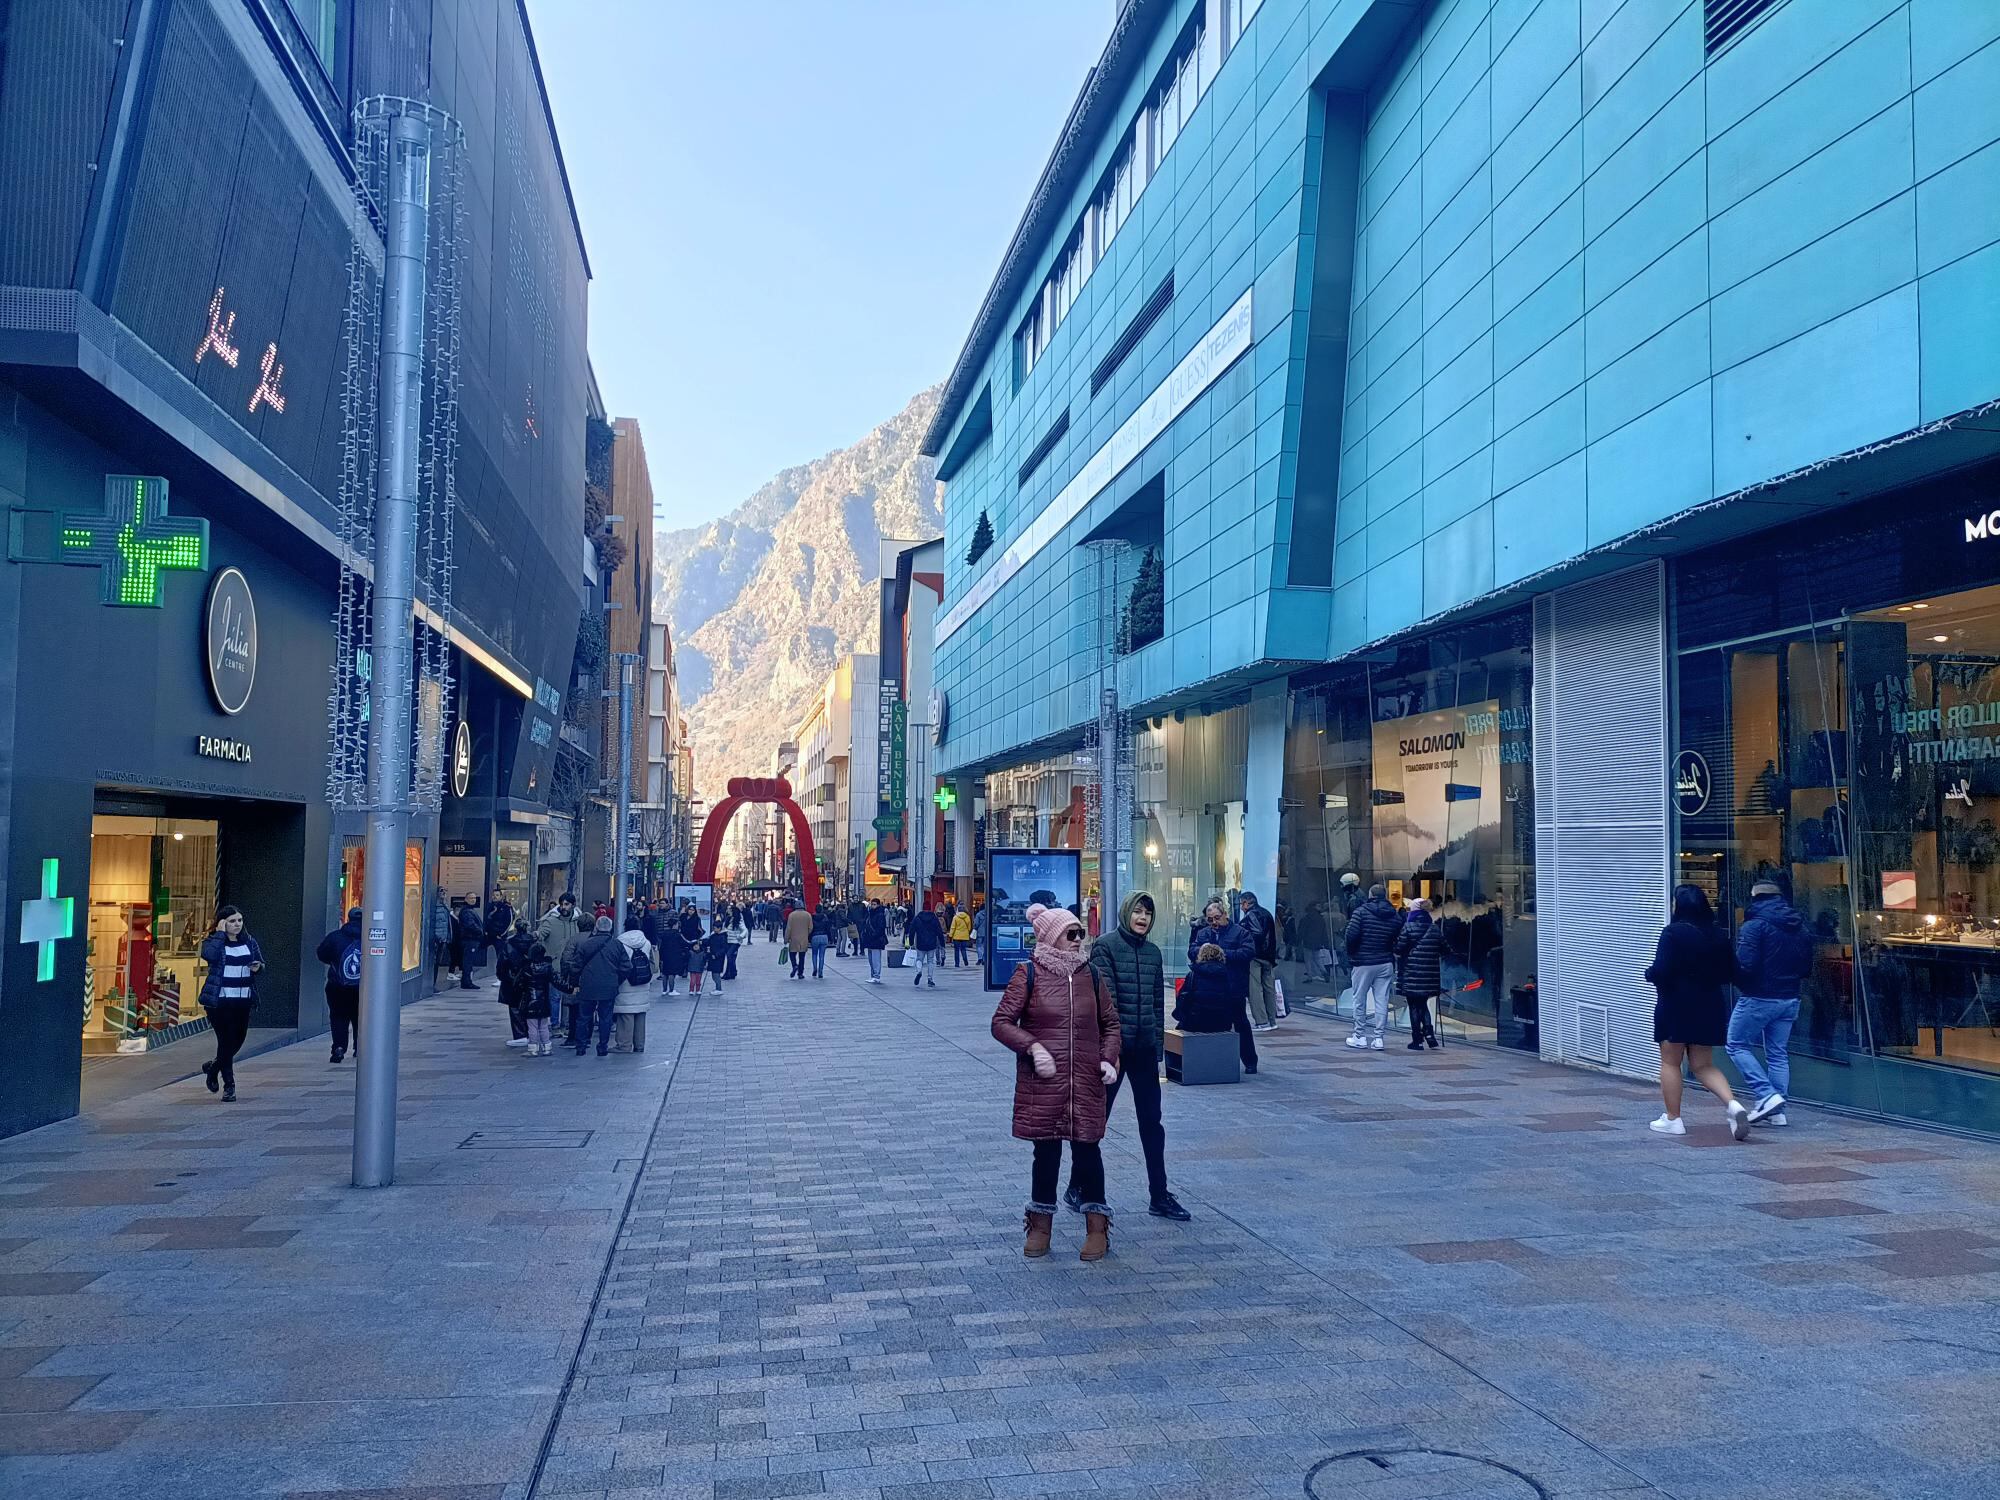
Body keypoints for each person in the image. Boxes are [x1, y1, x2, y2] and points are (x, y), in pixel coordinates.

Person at [991, 904, 1122, 1262]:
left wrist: (1108, 1059)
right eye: (1072, 934)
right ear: (1051, 937)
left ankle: (1097, 1228)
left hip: (1086, 1081)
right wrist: (1033, 1047)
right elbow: (1002, 1022)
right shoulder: (1028, 974)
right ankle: (1040, 1225)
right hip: (1044, 1084)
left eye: (1081, 933)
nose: (1080, 940)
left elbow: (1111, 1024)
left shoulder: (1091, 975)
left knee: (1088, 1152)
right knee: (1046, 1153)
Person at [1065, 892, 1189, 1223]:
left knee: (1152, 1123)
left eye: (1148, 912)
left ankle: (1159, 1195)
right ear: (1126, 913)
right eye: (1138, 910)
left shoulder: (1153, 953)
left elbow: (1156, 1003)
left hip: (1144, 1050)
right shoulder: (1106, 946)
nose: (1143, 917)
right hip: (1113, 1051)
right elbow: (1106, 1001)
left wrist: (1159, 1046)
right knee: (1096, 1120)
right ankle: (1077, 1186)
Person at [1648, 884, 1752, 1140]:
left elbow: (1661, 970)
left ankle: (1673, 1119)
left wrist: (1649, 974)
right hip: (1710, 1004)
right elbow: (1733, 972)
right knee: (1703, 1064)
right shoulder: (1718, 935)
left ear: (1679, 906)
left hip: (1676, 1003)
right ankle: (1732, 1104)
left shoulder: (1672, 933)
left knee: (1671, 1062)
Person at [1728, 879, 1813, 1129]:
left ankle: (1767, 1095)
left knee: (1736, 1044)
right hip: (1790, 997)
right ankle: (1778, 1112)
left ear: (1755, 898)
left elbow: (1745, 964)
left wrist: (1736, 980)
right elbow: (1807, 967)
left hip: (1759, 996)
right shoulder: (1800, 926)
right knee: (1777, 1054)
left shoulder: (1754, 926)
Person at [197, 906, 263, 1102]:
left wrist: (258, 967)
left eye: (240, 921)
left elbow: (260, 962)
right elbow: (209, 956)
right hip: (220, 1001)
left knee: (238, 1039)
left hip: (242, 1000)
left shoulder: (249, 941)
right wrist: (218, 933)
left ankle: (213, 1068)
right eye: (232, 921)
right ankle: (229, 1086)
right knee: (225, 1042)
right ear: (222, 922)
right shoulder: (214, 941)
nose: (237, 925)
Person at [1188, 898, 1258, 1075]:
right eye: (1210, 919)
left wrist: (1222, 954)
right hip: (1208, 986)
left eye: (1217, 918)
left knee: (1240, 1022)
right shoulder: (1204, 933)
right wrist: (1203, 951)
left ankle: (1250, 1060)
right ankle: (1214, 1060)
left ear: (1225, 914)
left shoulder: (1240, 932)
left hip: (1232, 986)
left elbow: (1248, 952)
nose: (1214, 923)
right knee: (1212, 1022)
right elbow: (1192, 950)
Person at [1344, 884, 1403, 1050]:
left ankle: (1359, 1035)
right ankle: (1379, 1038)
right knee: (1382, 1000)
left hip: (1363, 961)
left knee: (1359, 999)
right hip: (1385, 961)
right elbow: (1399, 937)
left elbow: (1351, 935)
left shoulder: (1361, 912)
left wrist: (1352, 954)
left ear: (1370, 894)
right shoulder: (1394, 916)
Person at [561, 915, 629, 1056]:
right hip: (608, 986)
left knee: (584, 1017)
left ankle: (581, 1046)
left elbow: (575, 966)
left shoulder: (586, 944)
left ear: (596, 928)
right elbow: (626, 967)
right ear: (610, 928)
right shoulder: (616, 945)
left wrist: (575, 984)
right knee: (605, 1017)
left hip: (588, 986)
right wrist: (616, 980)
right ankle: (602, 1047)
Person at [314, 906, 364, 1064]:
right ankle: (360, 1047)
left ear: (348, 918)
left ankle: (339, 1047)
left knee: (338, 1016)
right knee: (361, 1017)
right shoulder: (370, 938)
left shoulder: (335, 937)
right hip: (362, 986)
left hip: (337, 985)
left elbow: (321, 954)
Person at [1394, 898, 1443, 1050]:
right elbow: (1445, 948)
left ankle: (1417, 1040)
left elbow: (1399, 948)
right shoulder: (1434, 928)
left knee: (1414, 1006)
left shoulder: (1408, 927)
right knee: (1423, 1003)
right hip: (1430, 974)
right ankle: (1429, 1034)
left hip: (1411, 972)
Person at [1237, 890, 1280, 1032]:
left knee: (1254, 988)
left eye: (1241, 904)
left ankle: (1261, 1021)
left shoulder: (1251, 915)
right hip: (1268, 956)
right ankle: (1272, 1020)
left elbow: (1257, 933)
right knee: (1269, 987)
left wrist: (1247, 945)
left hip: (1255, 956)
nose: (1241, 908)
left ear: (1246, 903)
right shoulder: (1266, 913)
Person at [1177, 941, 1237, 1034]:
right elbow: (1231, 1000)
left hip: (1195, 1021)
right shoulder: (1226, 975)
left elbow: (1184, 997)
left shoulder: (1193, 975)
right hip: (1221, 1022)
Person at [613, 916, 653, 1048]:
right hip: (643, 981)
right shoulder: (646, 942)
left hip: (626, 982)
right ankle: (639, 1044)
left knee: (626, 1013)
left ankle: (624, 1044)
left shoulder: (620, 942)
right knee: (640, 1013)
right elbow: (653, 963)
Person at [496, 918, 536, 1049]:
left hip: (512, 979)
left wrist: (503, 976)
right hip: (531, 978)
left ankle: (520, 1035)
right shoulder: (534, 942)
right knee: (530, 1005)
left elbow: (502, 962)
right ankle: (532, 1033)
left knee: (514, 1008)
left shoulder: (509, 943)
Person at [521, 942, 556, 1055]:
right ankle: (547, 1047)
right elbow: (557, 981)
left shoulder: (526, 967)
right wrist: (570, 989)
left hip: (530, 1000)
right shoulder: (547, 967)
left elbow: (518, 983)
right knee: (544, 1025)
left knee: (532, 1027)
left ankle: (533, 1049)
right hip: (544, 1000)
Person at [536, 892, 580, 958]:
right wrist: (537, 935)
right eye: (561, 904)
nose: (563, 907)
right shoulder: (550, 921)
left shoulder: (578, 922)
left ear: (573, 905)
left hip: (572, 964)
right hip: (554, 964)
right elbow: (540, 936)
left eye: (566, 904)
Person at [657, 907, 690, 995]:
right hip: (674, 955)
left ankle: (664, 990)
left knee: (665, 973)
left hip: (664, 955)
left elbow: (661, 945)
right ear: (675, 925)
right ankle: (671, 990)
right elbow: (685, 943)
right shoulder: (677, 934)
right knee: (672, 973)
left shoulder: (664, 934)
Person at [910, 903, 943, 988]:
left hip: (920, 942)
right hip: (932, 942)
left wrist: (911, 942)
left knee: (919, 959)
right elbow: (939, 931)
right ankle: (930, 979)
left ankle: (919, 971)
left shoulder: (917, 918)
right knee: (930, 961)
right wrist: (942, 943)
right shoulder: (934, 918)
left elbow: (912, 930)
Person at [455, 896, 485, 989]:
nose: (473, 900)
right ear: (466, 899)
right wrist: (480, 931)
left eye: (474, 898)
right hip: (470, 939)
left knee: (468, 961)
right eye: (471, 898)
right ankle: (466, 981)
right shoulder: (467, 911)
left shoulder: (469, 910)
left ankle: (467, 981)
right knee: (468, 961)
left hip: (471, 939)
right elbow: (470, 925)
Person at [860, 898, 889, 984]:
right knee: (871, 959)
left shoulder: (880, 914)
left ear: (878, 905)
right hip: (870, 939)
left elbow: (881, 928)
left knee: (875, 959)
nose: (873, 906)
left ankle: (876, 976)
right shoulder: (870, 914)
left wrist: (874, 935)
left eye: (874, 904)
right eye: (872, 904)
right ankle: (873, 975)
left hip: (876, 940)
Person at [431, 888, 454, 989]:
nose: (444, 893)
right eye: (441, 891)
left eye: (445, 891)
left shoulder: (444, 906)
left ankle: (434, 984)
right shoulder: (435, 906)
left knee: (438, 962)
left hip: (443, 938)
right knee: (434, 962)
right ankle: (432, 985)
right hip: (437, 938)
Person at [784, 900, 813, 979]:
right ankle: (800, 973)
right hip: (804, 938)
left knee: (792, 954)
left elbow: (788, 928)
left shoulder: (791, 915)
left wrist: (786, 939)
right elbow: (810, 928)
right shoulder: (808, 915)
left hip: (794, 938)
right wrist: (806, 934)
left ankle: (794, 965)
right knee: (802, 957)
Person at [703, 917, 731, 994]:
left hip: (718, 958)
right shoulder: (714, 935)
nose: (714, 929)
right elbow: (708, 941)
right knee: (714, 974)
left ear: (719, 928)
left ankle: (719, 989)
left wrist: (716, 955)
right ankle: (717, 988)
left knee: (716, 974)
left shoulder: (723, 937)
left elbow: (724, 949)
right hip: (712, 957)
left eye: (715, 928)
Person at [484, 888, 514, 959]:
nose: (494, 897)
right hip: (489, 935)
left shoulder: (506, 907)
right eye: (493, 895)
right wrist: (485, 931)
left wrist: (501, 934)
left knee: (500, 956)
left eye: (497, 895)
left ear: (501, 897)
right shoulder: (489, 906)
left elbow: (509, 921)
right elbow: (486, 920)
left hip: (499, 937)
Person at [723, 906, 747, 980]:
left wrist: (739, 937)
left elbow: (745, 930)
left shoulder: (738, 921)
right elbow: (725, 929)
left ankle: (729, 973)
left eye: (730, 909)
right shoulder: (728, 919)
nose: (728, 910)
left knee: (729, 955)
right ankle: (731, 972)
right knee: (732, 957)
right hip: (728, 941)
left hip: (735, 942)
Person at [809, 903, 833, 978]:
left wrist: (809, 938)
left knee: (814, 954)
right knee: (822, 955)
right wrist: (830, 938)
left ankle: (815, 968)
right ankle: (820, 971)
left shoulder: (812, 917)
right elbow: (828, 928)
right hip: (824, 936)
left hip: (815, 936)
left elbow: (810, 928)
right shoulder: (825, 917)